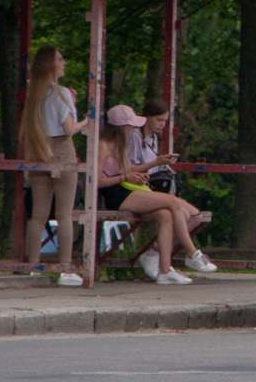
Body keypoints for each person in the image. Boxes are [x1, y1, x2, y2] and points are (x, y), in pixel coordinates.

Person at [98, 105, 217, 285]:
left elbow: (126, 171)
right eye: (130, 125)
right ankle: (192, 253)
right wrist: (126, 176)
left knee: (166, 215)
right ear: (120, 127)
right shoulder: (103, 146)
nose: (132, 129)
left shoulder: (120, 145)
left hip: (129, 187)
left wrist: (136, 176)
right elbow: (97, 181)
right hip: (116, 193)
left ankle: (164, 271)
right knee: (172, 202)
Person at [20, 46, 89, 287]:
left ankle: (33, 266)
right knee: (64, 214)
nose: (64, 63)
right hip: (62, 148)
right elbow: (69, 128)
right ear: (51, 65)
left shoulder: (34, 94)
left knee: (38, 214)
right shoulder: (62, 93)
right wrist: (85, 121)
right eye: (60, 59)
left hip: (39, 148)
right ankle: (64, 267)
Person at [127, 99, 208, 280]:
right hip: (139, 188)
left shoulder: (154, 139)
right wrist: (155, 163)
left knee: (195, 216)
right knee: (176, 213)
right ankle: (190, 253)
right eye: (159, 120)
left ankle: (155, 252)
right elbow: (129, 169)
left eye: (164, 121)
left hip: (153, 188)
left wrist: (162, 165)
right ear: (147, 118)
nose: (162, 125)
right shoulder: (135, 137)